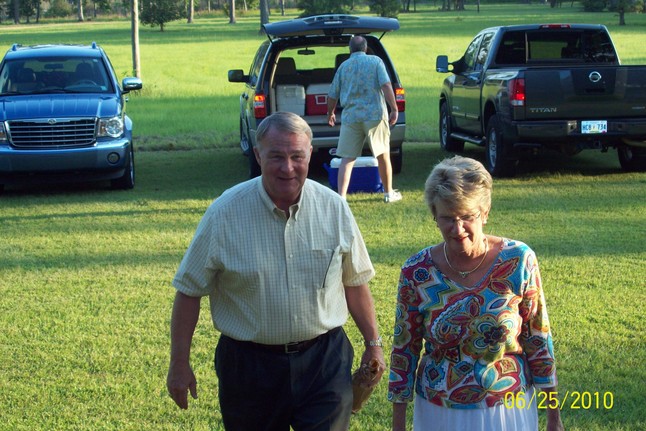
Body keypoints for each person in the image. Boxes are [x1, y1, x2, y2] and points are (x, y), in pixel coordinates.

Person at [166, 111, 386, 431]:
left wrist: (373, 343)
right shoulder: (224, 214)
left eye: (297, 156)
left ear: (310, 153)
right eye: (276, 157)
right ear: (258, 155)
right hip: (249, 368)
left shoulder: (334, 208)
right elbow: (189, 291)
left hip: (324, 361)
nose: (288, 167)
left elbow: (354, 282)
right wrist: (179, 363)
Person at [388, 156, 564, 431]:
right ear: (434, 216)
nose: (457, 229)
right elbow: (404, 349)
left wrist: (554, 416)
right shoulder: (417, 271)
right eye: (447, 218)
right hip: (439, 413)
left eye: (467, 216)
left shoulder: (518, 260)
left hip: (508, 409)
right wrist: (398, 425)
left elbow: (538, 339)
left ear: (485, 212)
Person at [327, 35, 402, 203]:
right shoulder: (376, 62)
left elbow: (332, 94)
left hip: (351, 117)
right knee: (382, 154)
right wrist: (394, 108)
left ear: (350, 49)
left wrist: (330, 113)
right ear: (366, 48)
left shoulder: (343, 67)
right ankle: (388, 193)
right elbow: (386, 85)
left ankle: (341, 198)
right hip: (374, 115)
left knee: (347, 158)